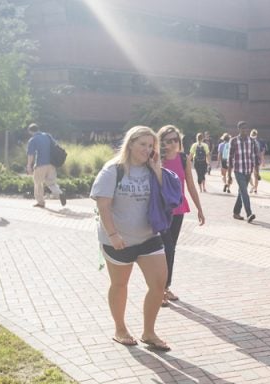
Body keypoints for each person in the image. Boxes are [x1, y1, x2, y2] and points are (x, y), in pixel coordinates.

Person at [89, 125, 171, 351]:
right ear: (131, 144)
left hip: (148, 237)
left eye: (151, 145)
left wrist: (157, 170)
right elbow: (103, 206)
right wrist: (113, 235)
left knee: (158, 284)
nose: (147, 149)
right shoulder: (113, 170)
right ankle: (120, 329)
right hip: (119, 240)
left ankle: (149, 332)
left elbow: (168, 196)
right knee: (120, 284)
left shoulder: (152, 168)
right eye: (142, 144)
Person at [157, 125, 205, 307]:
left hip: (178, 209)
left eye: (175, 140)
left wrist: (199, 208)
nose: (172, 144)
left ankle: (165, 287)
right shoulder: (156, 159)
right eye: (168, 140)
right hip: (161, 211)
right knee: (165, 248)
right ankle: (159, 288)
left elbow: (191, 185)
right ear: (161, 142)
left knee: (171, 248)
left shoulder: (183, 158)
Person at [26, 123, 66, 208]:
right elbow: (56, 145)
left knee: (38, 183)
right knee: (51, 183)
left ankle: (41, 202)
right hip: (51, 164)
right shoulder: (48, 136)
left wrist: (29, 165)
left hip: (40, 165)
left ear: (30, 131)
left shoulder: (33, 140)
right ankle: (60, 193)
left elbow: (31, 154)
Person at [227, 121, 260, 223]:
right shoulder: (233, 141)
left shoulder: (252, 141)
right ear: (239, 129)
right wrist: (229, 175)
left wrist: (257, 173)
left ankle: (236, 212)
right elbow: (230, 158)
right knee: (245, 192)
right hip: (238, 170)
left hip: (248, 171)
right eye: (242, 128)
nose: (244, 130)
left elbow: (255, 158)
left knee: (241, 192)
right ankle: (249, 213)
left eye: (246, 128)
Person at [248, 129, 266, 194]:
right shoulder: (258, 142)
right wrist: (262, 161)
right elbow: (261, 153)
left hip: (249, 160)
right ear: (256, 135)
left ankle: (252, 186)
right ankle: (255, 188)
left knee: (249, 174)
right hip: (256, 160)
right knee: (256, 175)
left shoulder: (248, 141)